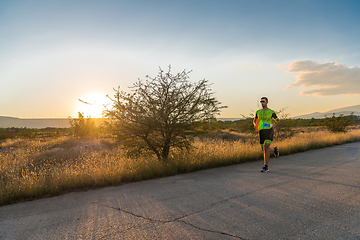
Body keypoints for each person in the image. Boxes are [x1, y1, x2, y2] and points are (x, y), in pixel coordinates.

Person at [253, 97, 279, 172]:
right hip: (261, 131)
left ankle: (266, 166)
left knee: (266, 146)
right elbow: (255, 120)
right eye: (261, 101)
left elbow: (277, 120)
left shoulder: (271, 112)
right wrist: (255, 125)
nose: (262, 103)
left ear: (267, 102)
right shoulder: (258, 112)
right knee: (264, 149)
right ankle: (274, 150)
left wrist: (275, 124)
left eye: (263, 101)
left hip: (269, 130)